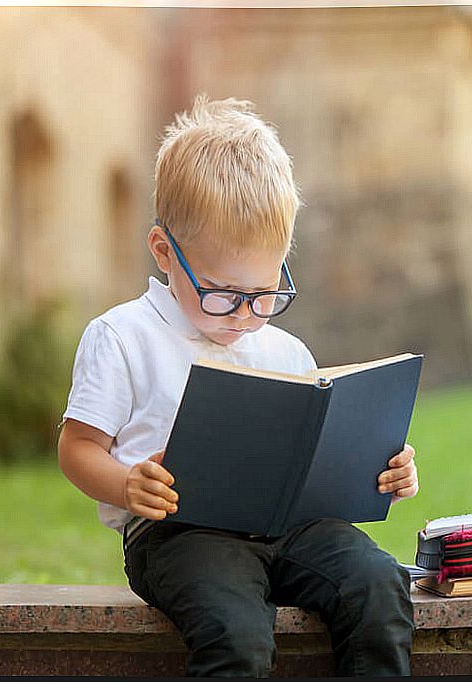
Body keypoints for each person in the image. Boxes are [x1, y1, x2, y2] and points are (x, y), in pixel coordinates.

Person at [57, 94, 418, 677]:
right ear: (163, 252)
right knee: (238, 633)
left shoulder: (286, 350)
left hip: (295, 528)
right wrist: (127, 485)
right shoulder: (123, 336)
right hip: (179, 534)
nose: (246, 314)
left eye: (265, 293)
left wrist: (384, 467)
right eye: (224, 293)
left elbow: (314, 450)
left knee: (379, 585)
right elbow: (76, 448)